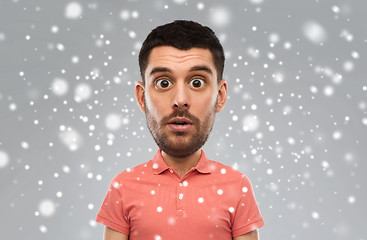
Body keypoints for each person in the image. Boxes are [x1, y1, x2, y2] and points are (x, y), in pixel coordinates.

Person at [96, 20, 264, 240]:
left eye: (197, 82)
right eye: (163, 83)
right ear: (141, 97)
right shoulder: (123, 186)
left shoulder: (237, 186)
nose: (180, 100)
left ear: (220, 96)